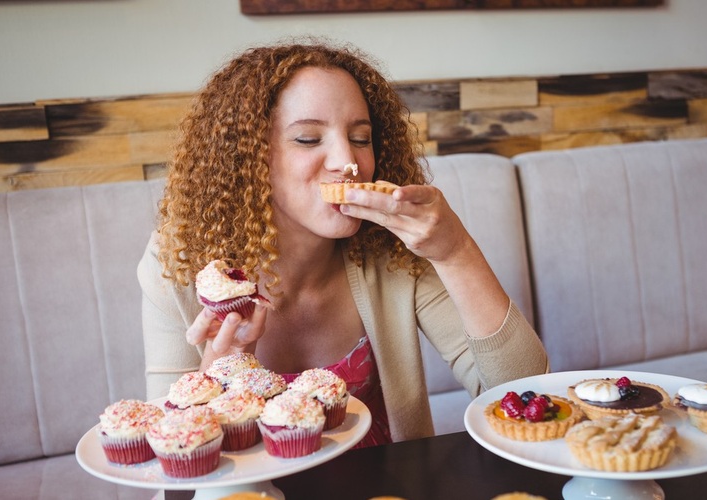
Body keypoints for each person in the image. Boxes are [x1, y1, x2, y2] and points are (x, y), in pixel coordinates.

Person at [137, 40, 548, 446]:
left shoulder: (394, 248)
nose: (347, 162)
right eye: (308, 139)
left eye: (360, 137)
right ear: (247, 157)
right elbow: (172, 465)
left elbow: (528, 395)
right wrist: (220, 371)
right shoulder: (177, 262)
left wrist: (456, 252)